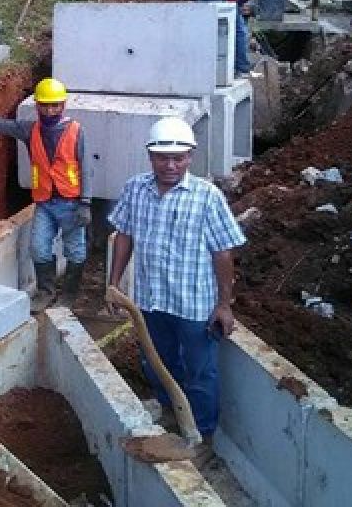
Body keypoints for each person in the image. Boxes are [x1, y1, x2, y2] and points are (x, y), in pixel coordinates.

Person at [105, 117, 246, 451]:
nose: (170, 165)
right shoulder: (135, 189)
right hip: (152, 300)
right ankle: (171, 414)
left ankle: (203, 436)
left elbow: (223, 252)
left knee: (201, 372)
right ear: (150, 156)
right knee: (155, 362)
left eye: (178, 157)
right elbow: (124, 236)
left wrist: (224, 305)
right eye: (162, 157)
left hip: (193, 305)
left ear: (190, 156)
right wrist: (113, 284)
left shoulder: (206, 196)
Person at [0, 78, 92, 312]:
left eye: (55, 105)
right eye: (45, 105)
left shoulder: (75, 132)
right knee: (39, 248)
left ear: (63, 106)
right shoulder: (29, 130)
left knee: (75, 251)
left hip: (71, 204)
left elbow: (85, 167)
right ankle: (46, 292)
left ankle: (69, 295)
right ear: (37, 105)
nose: (50, 110)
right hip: (44, 203)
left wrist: (85, 203)